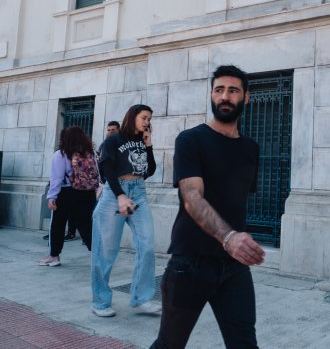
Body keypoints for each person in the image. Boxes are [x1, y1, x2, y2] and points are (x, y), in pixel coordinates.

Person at [151, 65, 265, 349]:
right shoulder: (191, 140)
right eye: (219, 90)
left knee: (245, 345)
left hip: (234, 268)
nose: (225, 96)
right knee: (169, 345)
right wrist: (229, 238)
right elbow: (192, 197)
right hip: (190, 264)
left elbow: (234, 201)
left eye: (233, 90)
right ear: (212, 96)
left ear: (246, 98)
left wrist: (238, 243)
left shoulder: (251, 148)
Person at [91, 104, 160, 317]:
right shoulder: (114, 139)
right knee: (106, 250)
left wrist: (148, 147)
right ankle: (100, 302)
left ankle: (142, 299)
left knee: (147, 245)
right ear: (132, 117)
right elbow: (107, 169)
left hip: (138, 192)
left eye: (149, 118)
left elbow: (150, 170)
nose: (147, 121)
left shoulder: (142, 140)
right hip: (115, 194)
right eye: (144, 117)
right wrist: (120, 195)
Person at [39, 126, 97, 266]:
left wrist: (52, 197)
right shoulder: (89, 153)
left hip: (66, 193)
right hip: (86, 193)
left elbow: (57, 178)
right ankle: (98, 255)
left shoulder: (61, 154)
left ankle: (54, 256)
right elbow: (96, 174)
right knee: (86, 226)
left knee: (58, 224)